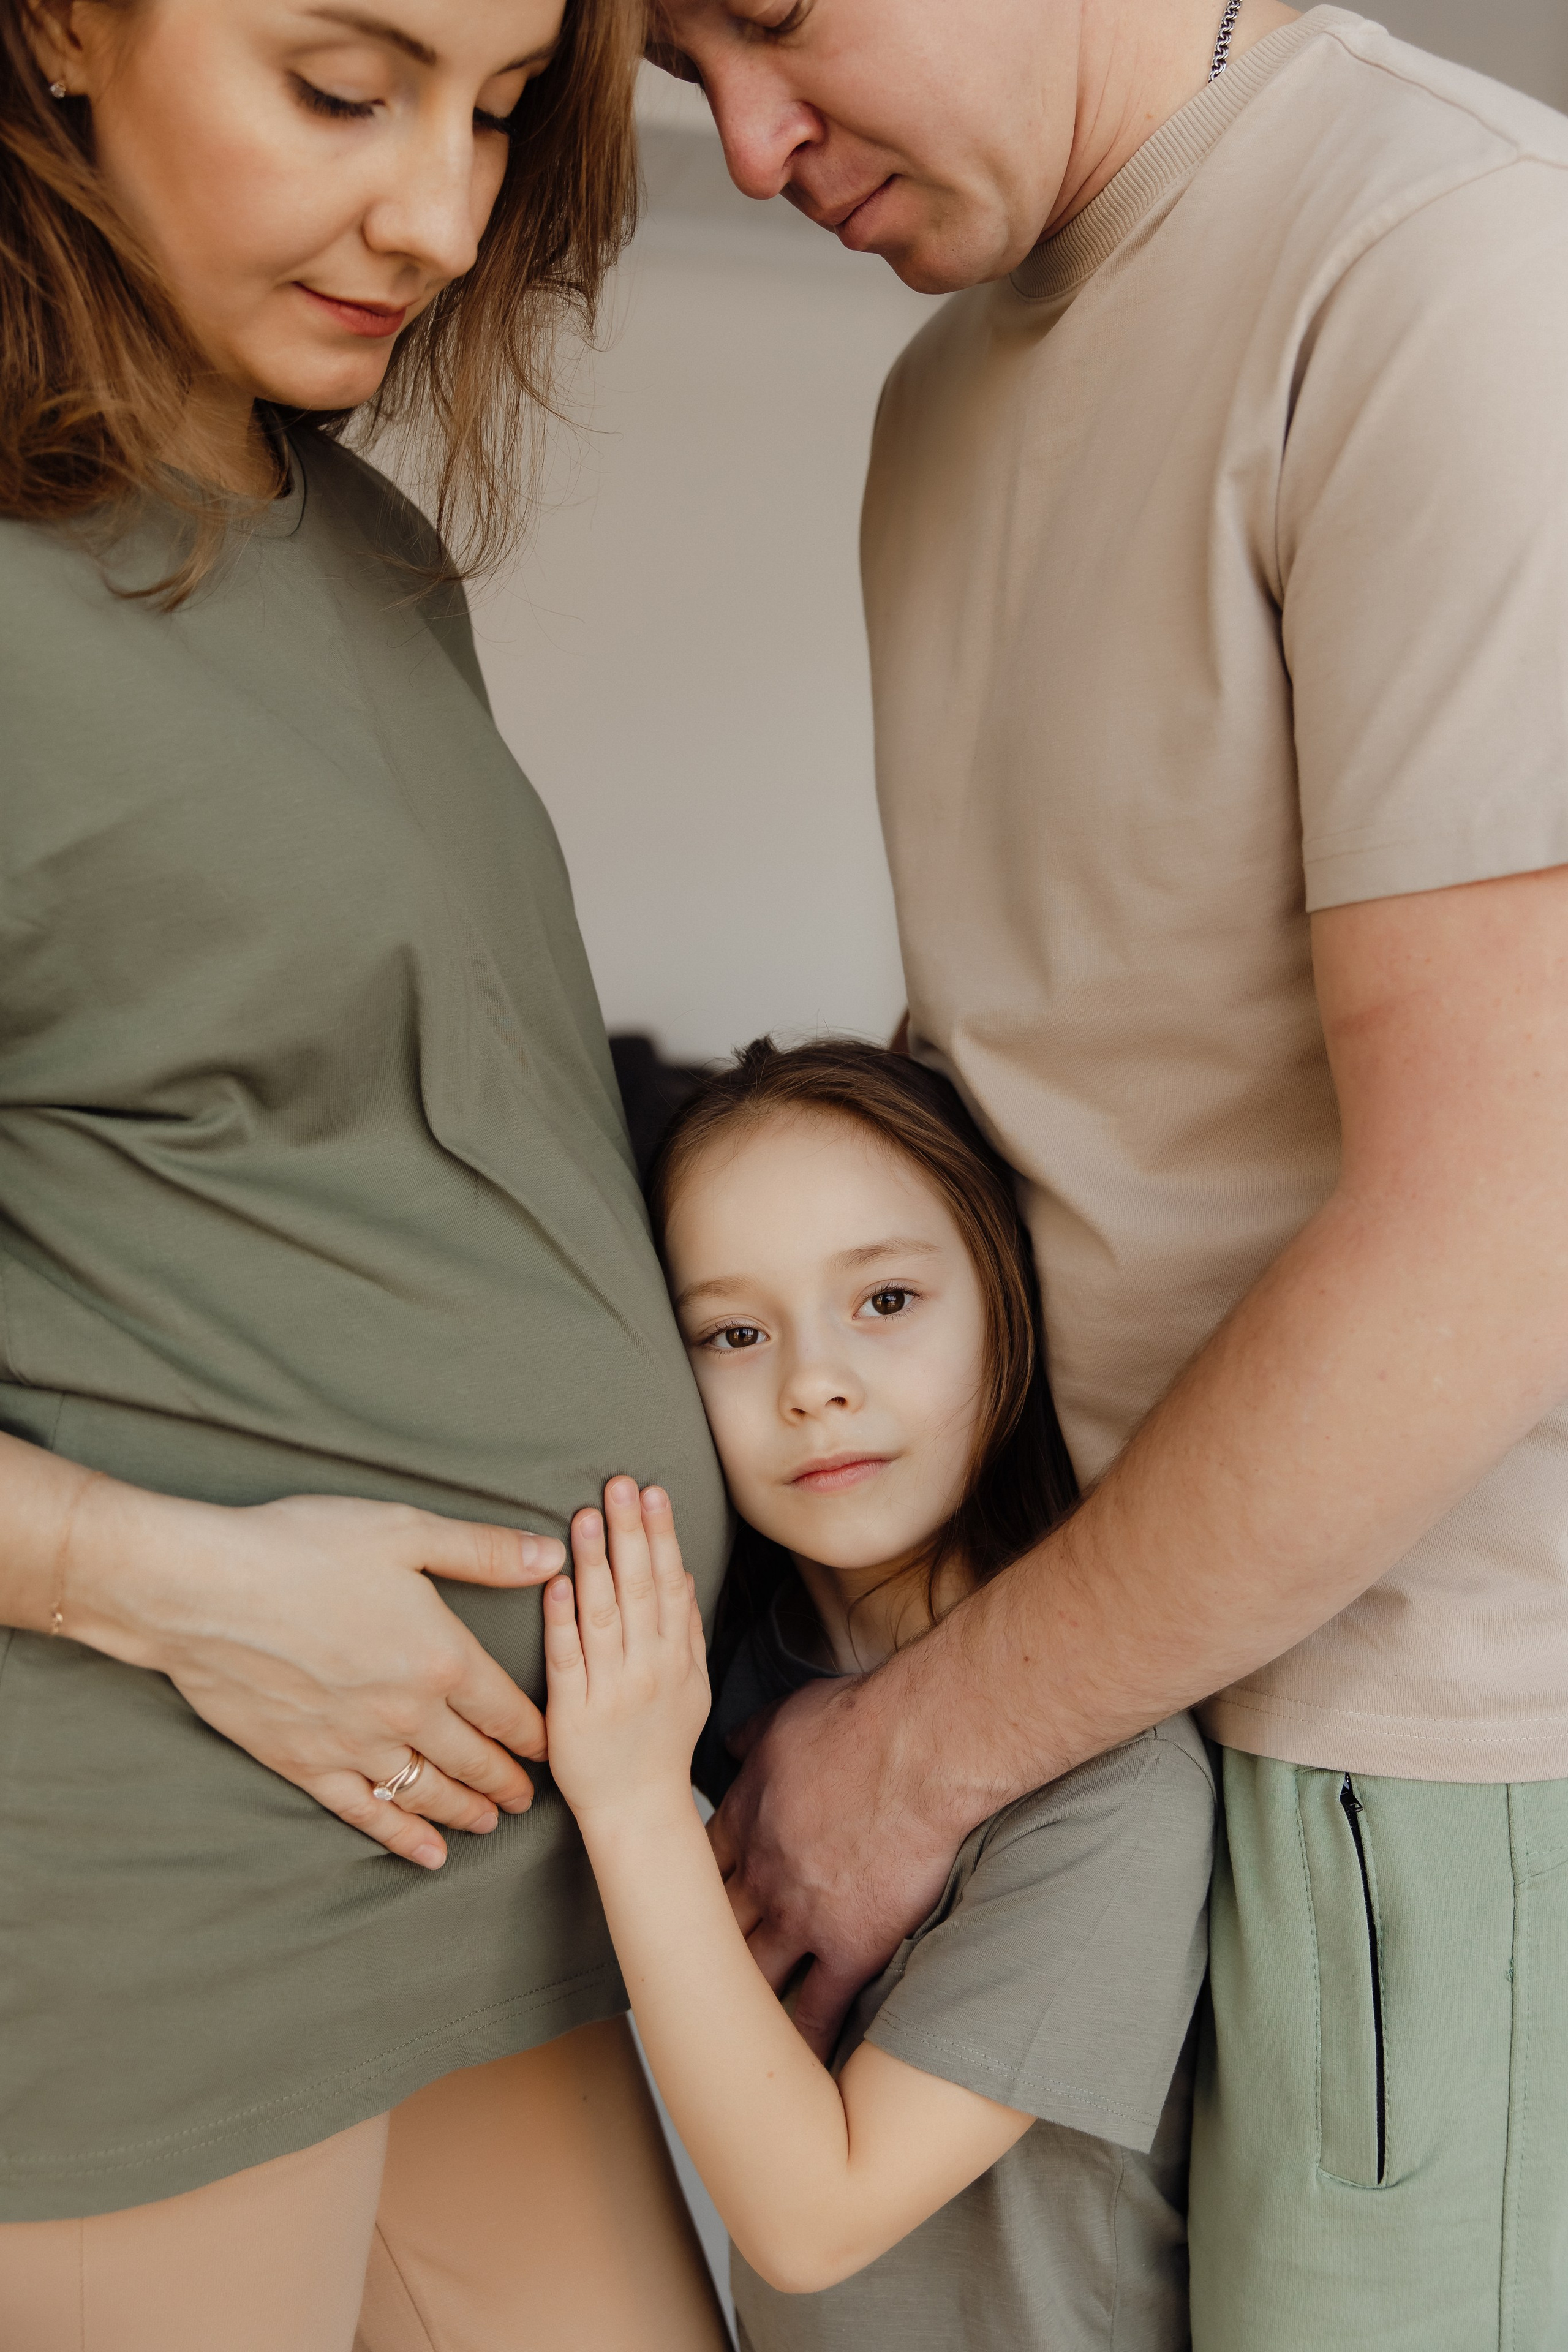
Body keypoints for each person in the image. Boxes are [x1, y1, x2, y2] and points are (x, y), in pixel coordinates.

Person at [644, 0, 1568, 2343]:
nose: (747, 144)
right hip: (1079, 1697)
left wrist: (919, 1759)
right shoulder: (938, 397)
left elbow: (1507, 1226)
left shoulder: (1448, 266)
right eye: (678, 66)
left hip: (1395, 1756)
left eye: (768, 16)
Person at [0, 3, 730, 2346]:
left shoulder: (364, 543)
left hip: (504, 1871)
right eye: (345, 86)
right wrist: (157, 1580)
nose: (437, 210)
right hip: (168, 1906)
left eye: (501, 113)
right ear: (56, 27)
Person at [543, 1038, 1215, 2352]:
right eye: (734, 1333)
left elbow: (812, 2217)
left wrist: (628, 1803)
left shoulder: (1112, 1787)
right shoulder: (731, 1670)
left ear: (1006, 1304)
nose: (812, 1383)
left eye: (887, 1302)